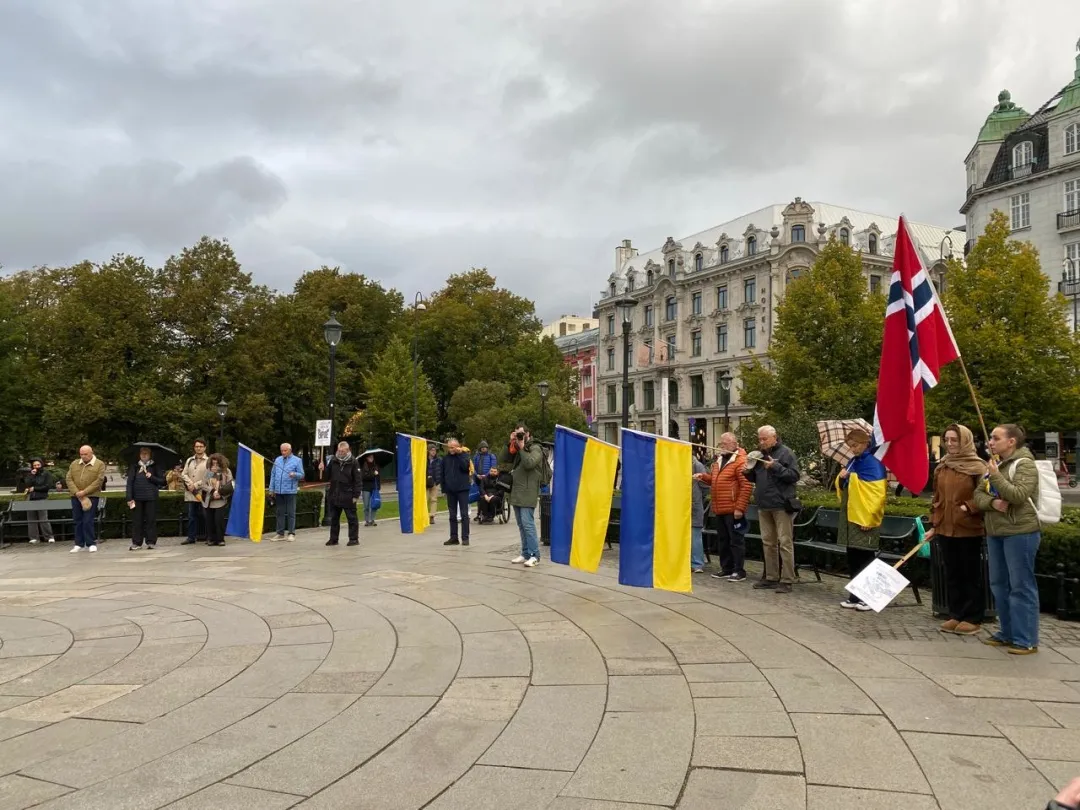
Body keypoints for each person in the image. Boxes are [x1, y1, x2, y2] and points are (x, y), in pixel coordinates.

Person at [973, 424, 1042, 655]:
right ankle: (1008, 632)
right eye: (991, 438)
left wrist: (996, 476)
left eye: (995, 438)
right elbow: (978, 495)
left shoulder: (1025, 464)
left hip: (1020, 532)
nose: (990, 442)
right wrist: (992, 503)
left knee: (1021, 586)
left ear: (1011, 441)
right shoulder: (996, 464)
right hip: (996, 531)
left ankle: (1026, 639)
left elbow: (1018, 495)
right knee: (999, 585)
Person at [927, 424, 988, 635]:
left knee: (969, 573)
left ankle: (973, 616)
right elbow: (937, 498)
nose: (950, 444)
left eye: (955, 440)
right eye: (948, 440)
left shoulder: (978, 466)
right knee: (951, 573)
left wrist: (969, 507)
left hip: (968, 527)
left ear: (965, 441)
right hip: (946, 527)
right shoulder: (942, 466)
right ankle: (956, 613)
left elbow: (987, 495)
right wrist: (934, 524)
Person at [835, 429, 887, 612]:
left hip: (865, 519)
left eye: (855, 446)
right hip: (852, 516)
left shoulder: (873, 464)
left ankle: (869, 598)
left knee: (866, 558)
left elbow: (877, 495)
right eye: (850, 447)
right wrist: (842, 479)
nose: (853, 450)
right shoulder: (853, 462)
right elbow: (846, 487)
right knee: (854, 557)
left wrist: (870, 519)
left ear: (865, 443)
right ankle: (855, 595)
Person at [744, 425, 800, 593]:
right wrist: (747, 471)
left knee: (785, 542)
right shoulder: (760, 455)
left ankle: (787, 579)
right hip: (764, 504)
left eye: (764, 439)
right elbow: (757, 478)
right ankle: (771, 577)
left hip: (781, 504)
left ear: (774, 437)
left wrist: (775, 467)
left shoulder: (786, 453)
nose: (761, 442)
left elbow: (794, 476)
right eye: (759, 439)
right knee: (768, 542)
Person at [696, 433, 752, 581]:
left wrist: (740, 508)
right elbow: (716, 481)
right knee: (723, 540)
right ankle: (726, 568)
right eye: (721, 443)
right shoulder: (720, 460)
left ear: (735, 444)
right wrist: (704, 477)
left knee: (736, 541)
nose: (722, 446)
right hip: (720, 507)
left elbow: (746, 485)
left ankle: (739, 570)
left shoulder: (740, 461)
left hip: (733, 508)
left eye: (725, 444)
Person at [499, 424, 543, 567]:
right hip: (516, 491)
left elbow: (529, 463)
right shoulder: (516, 448)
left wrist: (523, 446)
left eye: (521, 434)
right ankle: (525, 553)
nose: (519, 436)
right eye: (517, 434)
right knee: (521, 525)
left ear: (528, 434)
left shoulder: (536, 448)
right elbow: (503, 459)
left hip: (528, 491)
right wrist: (510, 442)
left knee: (528, 524)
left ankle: (535, 555)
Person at [320, 441, 362, 547]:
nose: (340, 452)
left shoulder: (353, 462)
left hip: (348, 494)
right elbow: (327, 476)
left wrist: (356, 495)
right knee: (334, 518)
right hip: (335, 493)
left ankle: (353, 539)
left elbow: (358, 480)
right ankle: (333, 539)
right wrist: (322, 468)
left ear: (348, 450)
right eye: (339, 450)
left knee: (352, 518)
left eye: (342, 451)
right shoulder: (333, 460)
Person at [65, 445, 105, 553]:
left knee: (88, 520)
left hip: (91, 496)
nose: (83, 456)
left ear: (91, 453)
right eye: (81, 454)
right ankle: (79, 543)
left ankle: (91, 543)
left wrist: (85, 492)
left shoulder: (99, 464)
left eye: (85, 454)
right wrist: (76, 492)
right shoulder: (74, 463)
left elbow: (99, 480)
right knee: (77, 520)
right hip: (76, 495)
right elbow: (68, 478)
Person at [126, 447, 166, 550]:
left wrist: (151, 477)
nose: (144, 455)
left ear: (149, 455)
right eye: (142, 453)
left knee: (150, 520)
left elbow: (162, 481)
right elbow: (130, 482)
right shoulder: (135, 466)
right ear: (139, 455)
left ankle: (151, 541)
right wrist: (129, 497)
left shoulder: (155, 466)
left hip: (151, 497)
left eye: (146, 453)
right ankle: (137, 542)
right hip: (137, 497)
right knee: (137, 521)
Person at [269, 443, 304, 541]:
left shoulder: (297, 460)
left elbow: (302, 474)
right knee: (279, 512)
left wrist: (295, 474)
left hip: (290, 491)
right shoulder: (277, 460)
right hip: (279, 491)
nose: (283, 452)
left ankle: (291, 533)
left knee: (290, 512)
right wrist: (272, 489)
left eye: (285, 450)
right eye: (281, 451)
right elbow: (273, 475)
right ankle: (280, 533)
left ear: (290, 450)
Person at [441, 438, 473, 546]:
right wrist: (444, 488)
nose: (451, 449)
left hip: (462, 489)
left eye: (453, 447)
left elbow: (465, 467)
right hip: (450, 490)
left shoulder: (465, 455)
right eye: (449, 447)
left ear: (458, 446)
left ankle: (465, 537)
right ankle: (453, 537)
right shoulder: (445, 459)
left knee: (464, 514)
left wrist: (459, 454)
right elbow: (443, 474)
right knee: (452, 514)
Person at [180, 439, 210, 545]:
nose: (199, 448)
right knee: (191, 516)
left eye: (201, 446)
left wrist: (196, 484)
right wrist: (189, 484)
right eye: (197, 446)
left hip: (203, 492)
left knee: (205, 515)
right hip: (191, 493)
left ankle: (208, 537)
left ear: (205, 447)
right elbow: (184, 474)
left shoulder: (209, 461)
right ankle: (191, 537)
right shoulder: (189, 460)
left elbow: (209, 476)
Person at [200, 453, 233, 547]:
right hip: (209, 500)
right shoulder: (209, 472)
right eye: (213, 464)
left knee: (219, 520)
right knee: (209, 520)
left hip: (221, 499)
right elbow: (203, 485)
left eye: (217, 464)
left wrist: (220, 492)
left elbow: (230, 484)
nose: (215, 466)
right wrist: (212, 490)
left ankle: (220, 539)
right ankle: (211, 538)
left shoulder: (226, 472)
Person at [26, 459, 55, 544]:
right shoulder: (31, 474)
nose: (36, 467)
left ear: (41, 465)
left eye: (38, 465)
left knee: (43, 518)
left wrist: (35, 488)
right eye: (35, 465)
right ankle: (34, 538)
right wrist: (32, 475)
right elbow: (27, 484)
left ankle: (49, 536)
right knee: (31, 519)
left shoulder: (46, 474)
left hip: (42, 497)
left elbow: (47, 486)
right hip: (31, 498)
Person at [690, 456, 709, 573]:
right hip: (688, 504)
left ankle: (697, 563)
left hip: (694, 505)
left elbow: (706, 485)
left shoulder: (696, 465)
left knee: (695, 534)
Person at [472, 440, 498, 520]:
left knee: (488, 495)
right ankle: (479, 513)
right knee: (479, 497)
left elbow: (493, 467)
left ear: (487, 448)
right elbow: (472, 467)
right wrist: (477, 475)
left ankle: (489, 513)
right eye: (482, 448)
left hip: (488, 479)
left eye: (485, 448)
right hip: (478, 479)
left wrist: (485, 476)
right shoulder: (476, 456)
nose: (483, 449)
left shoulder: (491, 456)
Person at [360, 453, 381, 527]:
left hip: (374, 487)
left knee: (374, 504)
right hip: (365, 488)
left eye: (372, 457)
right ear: (367, 458)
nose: (371, 458)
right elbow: (364, 477)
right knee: (366, 505)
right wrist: (373, 474)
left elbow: (378, 478)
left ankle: (372, 520)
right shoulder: (363, 466)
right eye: (370, 457)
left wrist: (378, 487)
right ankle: (366, 520)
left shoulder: (376, 466)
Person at [426, 443, 443, 525]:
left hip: (435, 482)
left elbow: (441, 470)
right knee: (425, 499)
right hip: (426, 482)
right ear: (428, 451)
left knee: (433, 499)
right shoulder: (424, 459)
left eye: (435, 450)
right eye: (432, 450)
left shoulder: (439, 460)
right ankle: (424, 515)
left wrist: (438, 480)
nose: (433, 452)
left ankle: (432, 516)